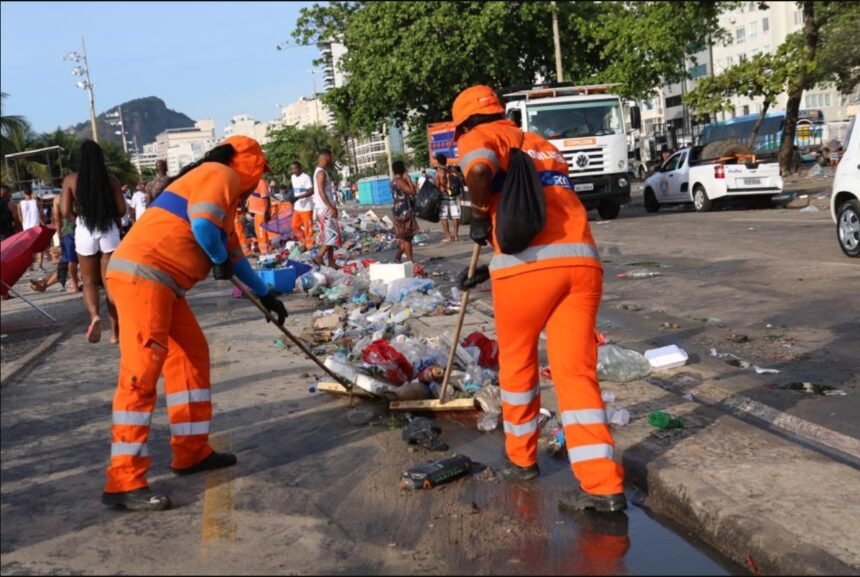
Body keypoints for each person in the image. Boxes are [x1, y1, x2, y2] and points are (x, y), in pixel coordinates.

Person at [453, 85, 625, 513]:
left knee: (518, 365)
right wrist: (483, 264)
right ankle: (603, 488)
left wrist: (477, 217)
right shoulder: (541, 144)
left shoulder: (481, 138)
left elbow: (478, 173)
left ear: (465, 124)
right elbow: (537, 205)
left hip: (527, 273)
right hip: (582, 267)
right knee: (575, 373)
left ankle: (522, 459)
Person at [101, 135, 287, 511]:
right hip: (144, 277)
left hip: (161, 283)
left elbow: (234, 258)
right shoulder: (221, 174)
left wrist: (266, 294)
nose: (257, 184)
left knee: (190, 356)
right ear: (250, 166)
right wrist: (216, 257)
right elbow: (203, 228)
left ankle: (191, 452)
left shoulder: (221, 192)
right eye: (259, 173)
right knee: (140, 376)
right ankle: (123, 480)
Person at [62, 140, 126, 344]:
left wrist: (78, 218)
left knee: (89, 281)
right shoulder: (111, 180)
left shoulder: (71, 180)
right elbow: (122, 210)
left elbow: (65, 211)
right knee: (110, 282)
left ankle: (94, 317)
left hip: (84, 229)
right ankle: (116, 333)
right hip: (108, 229)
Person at [30, 193, 80, 293]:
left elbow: (57, 218)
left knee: (69, 262)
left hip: (67, 232)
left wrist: (59, 235)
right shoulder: (80, 194)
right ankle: (44, 282)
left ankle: (45, 284)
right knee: (64, 263)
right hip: (79, 231)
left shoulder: (58, 198)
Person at [312, 149, 341, 269]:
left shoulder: (321, 172)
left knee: (329, 235)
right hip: (325, 209)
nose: (331, 160)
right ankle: (319, 256)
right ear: (327, 158)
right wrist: (331, 207)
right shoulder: (321, 173)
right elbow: (321, 192)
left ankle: (331, 262)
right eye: (330, 157)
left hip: (323, 208)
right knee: (332, 236)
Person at [391, 159, 418, 263]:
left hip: (397, 209)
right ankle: (410, 260)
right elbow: (412, 192)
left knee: (403, 236)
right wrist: (409, 179)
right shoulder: (400, 181)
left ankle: (397, 257)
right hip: (404, 210)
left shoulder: (393, 181)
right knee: (407, 237)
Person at [18, 185, 46, 271]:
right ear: (31, 193)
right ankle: (40, 266)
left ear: (24, 193)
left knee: (29, 248)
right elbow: (41, 215)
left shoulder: (19, 204)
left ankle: (31, 266)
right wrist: (43, 224)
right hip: (37, 227)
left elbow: (20, 217)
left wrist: (23, 224)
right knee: (40, 247)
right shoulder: (37, 202)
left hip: (26, 228)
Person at [435, 153, 461, 242]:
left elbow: (437, 185)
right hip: (453, 194)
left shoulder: (439, 172)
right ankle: (456, 236)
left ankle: (448, 236)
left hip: (444, 195)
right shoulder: (451, 170)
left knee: (443, 216)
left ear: (438, 162)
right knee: (455, 215)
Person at [290, 161, 315, 251]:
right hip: (297, 207)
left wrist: (300, 197)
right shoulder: (292, 177)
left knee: (308, 228)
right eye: (292, 169)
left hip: (307, 208)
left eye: (295, 168)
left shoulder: (306, 177)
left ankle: (310, 246)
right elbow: (295, 191)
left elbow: (311, 191)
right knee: (294, 226)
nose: (294, 170)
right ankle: (303, 242)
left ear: (300, 168)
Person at [247, 178, 272, 254]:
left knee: (261, 233)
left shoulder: (260, 182)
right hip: (256, 212)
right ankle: (266, 250)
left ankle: (265, 251)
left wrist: (267, 212)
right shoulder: (253, 182)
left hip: (261, 212)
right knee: (258, 232)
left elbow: (266, 198)